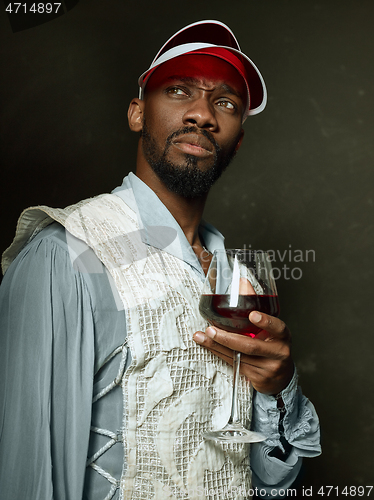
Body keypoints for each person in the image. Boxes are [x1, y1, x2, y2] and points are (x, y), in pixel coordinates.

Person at [0, 20, 321, 500]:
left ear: (237, 139)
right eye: (179, 91)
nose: (203, 114)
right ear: (136, 113)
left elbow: (274, 481)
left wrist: (279, 387)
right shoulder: (71, 253)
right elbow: (28, 470)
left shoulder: (239, 279)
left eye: (226, 103)